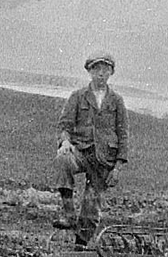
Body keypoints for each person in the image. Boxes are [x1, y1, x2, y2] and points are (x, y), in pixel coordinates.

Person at [52, 51, 129, 245]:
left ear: (111, 73)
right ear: (90, 71)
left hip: (104, 159)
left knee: (91, 207)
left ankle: (80, 247)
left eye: (106, 70)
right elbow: (64, 126)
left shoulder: (117, 101)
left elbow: (123, 134)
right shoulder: (78, 96)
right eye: (97, 69)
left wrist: (117, 167)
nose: (101, 74)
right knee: (63, 158)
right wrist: (66, 142)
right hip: (81, 151)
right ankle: (68, 213)